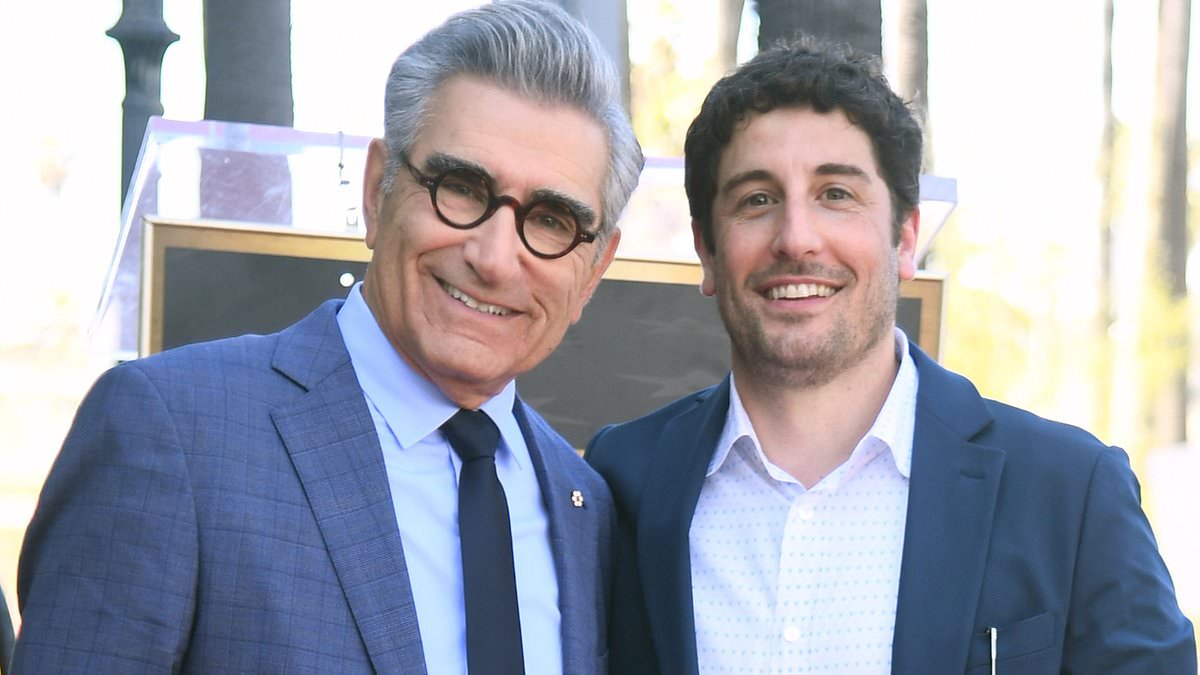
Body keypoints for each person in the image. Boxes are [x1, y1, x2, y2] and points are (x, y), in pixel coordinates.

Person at [13, 2, 642, 673]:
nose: (492, 257)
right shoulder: (171, 432)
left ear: (594, 269)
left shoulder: (588, 508)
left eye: (549, 221)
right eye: (460, 187)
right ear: (377, 190)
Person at [586, 37, 1196, 674]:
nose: (797, 237)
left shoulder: (1068, 492)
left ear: (905, 237)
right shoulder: (624, 483)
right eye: (757, 199)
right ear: (707, 251)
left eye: (837, 195)